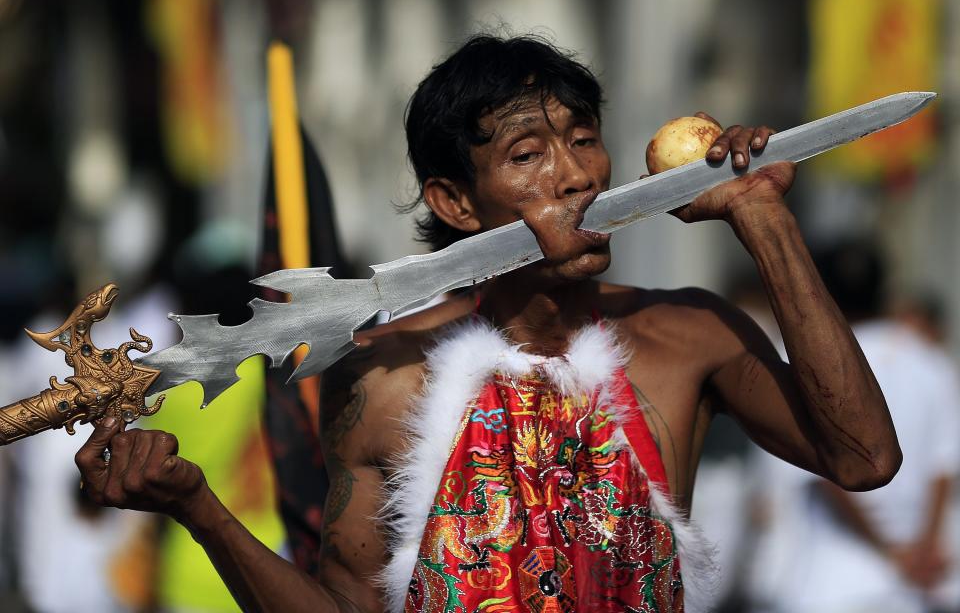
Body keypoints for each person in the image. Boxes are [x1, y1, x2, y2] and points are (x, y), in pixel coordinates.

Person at [74, 35, 901, 612]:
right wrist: (201, 510)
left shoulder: (689, 338)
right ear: (456, 203)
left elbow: (864, 458)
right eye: (528, 155)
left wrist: (764, 220)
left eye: (584, 140)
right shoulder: (389, 381)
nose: (575, 175)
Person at [744, 240, 960, 613]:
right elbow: (944, 467)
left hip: (832, 582)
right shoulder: (930, 361)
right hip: (917, 586)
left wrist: (891, 551)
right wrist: (921, 548)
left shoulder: (799, 358)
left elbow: (828, 470)